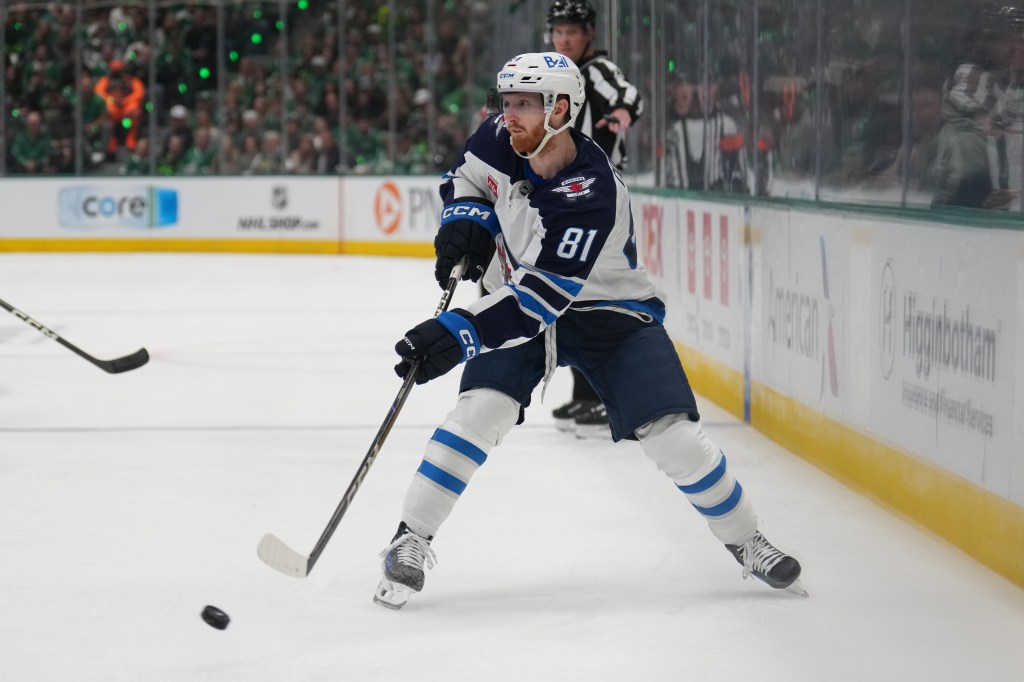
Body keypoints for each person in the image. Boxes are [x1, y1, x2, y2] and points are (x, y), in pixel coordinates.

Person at [373, 52, 803, 610]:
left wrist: (454, 334)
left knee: (674, 437)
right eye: (508, 103)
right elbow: (465, 180)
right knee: (479, 412)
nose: (510, 116)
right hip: (521, 299)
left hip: (610, 315)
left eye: (525, 104)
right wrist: (467, 222)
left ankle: (748, 541)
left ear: (561, 109)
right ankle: (410, 537)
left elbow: (540, 301)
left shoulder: (591, 192)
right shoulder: (499, 137)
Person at [545, 0, 646, 438]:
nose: (564, 40)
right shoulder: (551, 71)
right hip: (566, 193)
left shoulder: (596, 70)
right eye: (558, 32)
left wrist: (622, 113)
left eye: (572, 32)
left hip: (597, 194)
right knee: (572, 292)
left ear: (588, 34)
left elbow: (627, 95)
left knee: (597, 293)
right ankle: (587, 394)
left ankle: (608, 398)